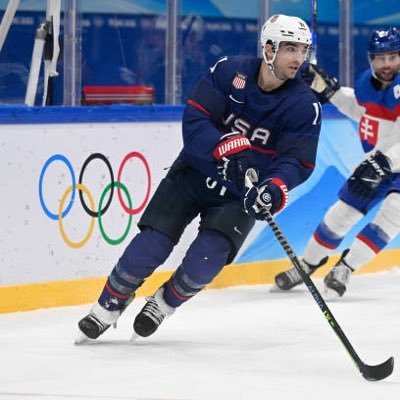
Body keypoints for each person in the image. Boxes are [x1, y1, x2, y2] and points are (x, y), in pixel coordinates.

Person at [76, 14, 321, 342]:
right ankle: (109, 304)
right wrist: (225, 147)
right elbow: (196, 119)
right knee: (150, 245)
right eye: (290, 48)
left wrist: (273, 188)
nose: (298, 58)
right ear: (268, 49)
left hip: (239, 193)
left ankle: (163, 303)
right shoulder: (228, 71)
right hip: (195, 171)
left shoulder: (304, 104)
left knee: (206, 259)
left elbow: (297, 160)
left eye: (302, 50)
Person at [275, 27, 400, 298]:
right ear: (371, 59)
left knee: (393, 214)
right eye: (381, 58)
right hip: (376, 162)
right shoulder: (369, 83)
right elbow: (361, 110)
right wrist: (331, 91)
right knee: (340, 215)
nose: (387, 64)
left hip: (391, 164)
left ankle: (346, 267)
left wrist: (386, 162)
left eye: (393, 56)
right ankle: (308, 263)